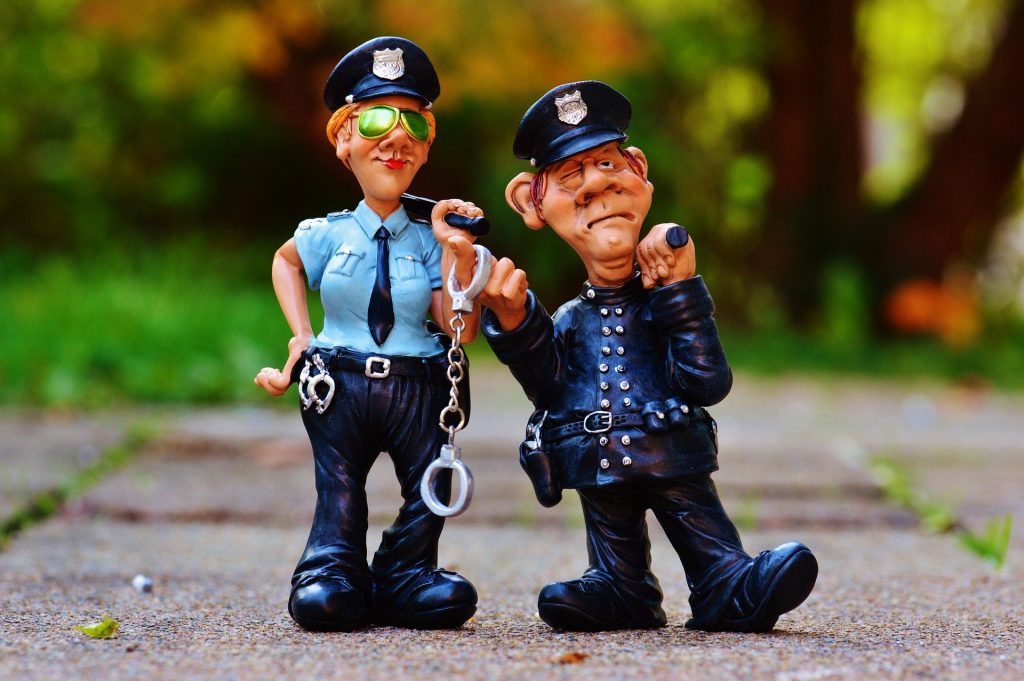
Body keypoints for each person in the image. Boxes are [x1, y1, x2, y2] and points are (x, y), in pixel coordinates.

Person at [477, 81, 818, 632]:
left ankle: (725, 581)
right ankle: (619, 585)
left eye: (609, 164)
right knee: (610, 531)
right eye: (570, 179)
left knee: (695, 517)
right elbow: (548, 388)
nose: (596, 185)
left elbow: (707, 381)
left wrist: (679, 295)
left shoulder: (664, 298)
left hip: (670, 446)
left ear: (637, 170)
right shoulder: (567, 319)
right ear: (532, 203)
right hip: (597, 462)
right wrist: (516, 321)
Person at [254, 37, 483, 632]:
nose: (396, 137)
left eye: (414, 123)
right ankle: (331, 569)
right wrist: (301, 335)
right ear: (344, 141)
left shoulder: (433, 238)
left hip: (419, 383)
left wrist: (459, 257)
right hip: (340, 381)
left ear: (426, 149)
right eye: (377, 119)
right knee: (339, 487)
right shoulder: (326, 233)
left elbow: (459, 327)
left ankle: (407, 573)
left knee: (429, 483)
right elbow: (285, 263)